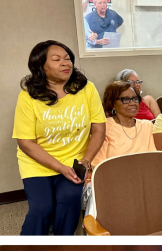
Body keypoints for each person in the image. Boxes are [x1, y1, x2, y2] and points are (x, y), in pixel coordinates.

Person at [14, 41, 106, 236]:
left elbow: (98, 129)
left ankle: (62, 245)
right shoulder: (28, 96)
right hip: (37, 163)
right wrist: (59, 167)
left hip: (74, 161)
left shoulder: (86, 88)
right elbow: (25, 142)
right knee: (41, 209)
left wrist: (86, 160)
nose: (65, 63)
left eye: (67, 58)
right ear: (41, 67)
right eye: (57, 59)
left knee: (69, 199)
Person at [92, 81, 156, 167]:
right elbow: (98, 164)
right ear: (113, 104)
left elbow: (154, 158)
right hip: (112, 177)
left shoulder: (147, 126)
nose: (132, 103)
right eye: (125, 99)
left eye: (135, 98)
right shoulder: (104, 127)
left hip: (144, 176)